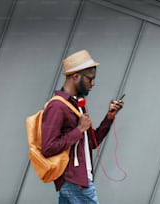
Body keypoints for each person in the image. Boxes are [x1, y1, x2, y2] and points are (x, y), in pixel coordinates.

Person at [41, 50, 124, 204]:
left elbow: (92, 142)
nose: (93, 84)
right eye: (90, 79)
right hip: (75, 182)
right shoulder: (57, 106)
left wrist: (110, 116)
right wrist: (78, 130)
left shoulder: (77, 106)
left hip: (79, 180)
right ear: (76, 76)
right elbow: (47, 148)